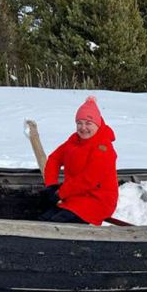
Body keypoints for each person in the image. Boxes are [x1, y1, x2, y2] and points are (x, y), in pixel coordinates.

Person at [36, 96, 118, 225]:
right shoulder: (74, 140)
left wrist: (60, 193)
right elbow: (55, 159)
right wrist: (51, 185)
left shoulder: (103, 147)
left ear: (97, 124)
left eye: (88, 123)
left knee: (56, 225)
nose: (83, 127)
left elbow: (88, 179)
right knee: (42, 220)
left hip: (97, 200)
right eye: (79, 123)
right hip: (74, 197)